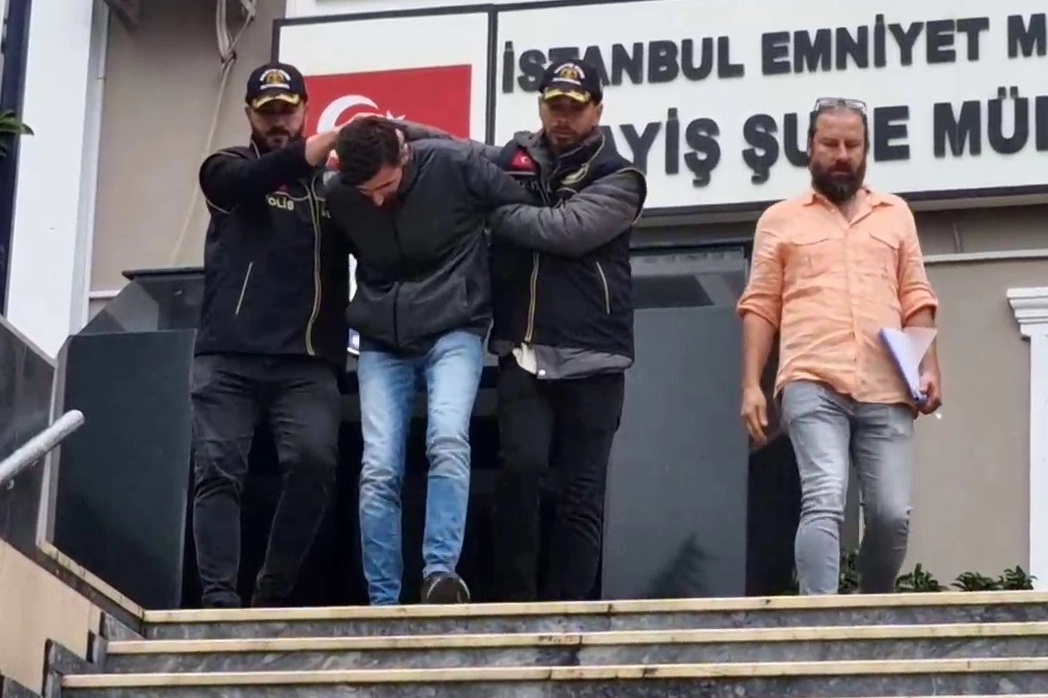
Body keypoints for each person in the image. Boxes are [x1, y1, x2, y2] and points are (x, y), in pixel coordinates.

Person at [393, 59, 646, 601]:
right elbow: (460, 150)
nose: (562, 117)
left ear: (597, 111)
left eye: (574, 108)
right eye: (554, 106)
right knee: (520, 474)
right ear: (541, 106)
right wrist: (401, 132)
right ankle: (516, 604)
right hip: (523, 351)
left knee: (582, 493)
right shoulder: (517, 157)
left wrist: (492, 209)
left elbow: (565, 230)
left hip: (595, 357)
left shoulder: (621, 176)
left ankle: (570, 612)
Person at [324, 116, 538, 605]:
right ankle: (383, 599)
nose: (377, 200)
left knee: (447, 439)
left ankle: (440, 575)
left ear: (405, 154)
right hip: (382, 338)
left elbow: (522, 209)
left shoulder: (454, 164)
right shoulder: (340, 193)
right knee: (378, 467)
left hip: (454, 326)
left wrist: (489, 288)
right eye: (365, 192)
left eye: (385, 186)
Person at [736, 97, 942, 595]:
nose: (842, 155)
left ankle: (871, 612)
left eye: (853, 144)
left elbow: (916, 295)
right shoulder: (779, 220)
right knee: (824, 496)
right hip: (811, 378)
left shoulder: (895, 215)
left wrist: (929, 367)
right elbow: (760, 305)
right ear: (809, 148)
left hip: (887, 383)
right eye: (830, 144)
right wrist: (751, 385)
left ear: (867, 150)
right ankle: (822, 619)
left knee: (891, 515)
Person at [191, 62, 348, 608]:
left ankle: (271, 593)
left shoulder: (335, 187)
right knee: (217, 471)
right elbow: (249, 181)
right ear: (250, 114)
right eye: (268, 112)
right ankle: (217, 599)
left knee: (314, 466)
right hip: (228, 355)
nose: (279, 121)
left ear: (305, 108)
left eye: (287, 111)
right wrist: (317, 147)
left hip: (307, 361)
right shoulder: (226, 167)